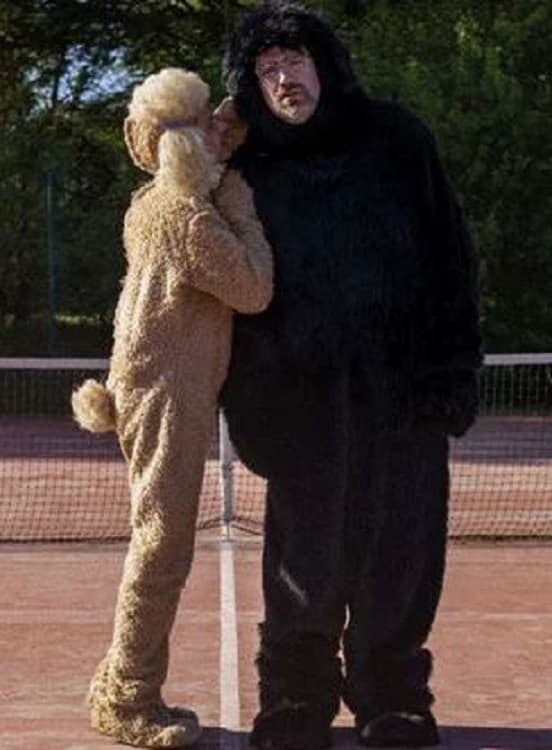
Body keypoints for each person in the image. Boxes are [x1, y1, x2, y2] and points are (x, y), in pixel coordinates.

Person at [217, 3, 482, 748]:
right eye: (267, 69)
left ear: (325, 64)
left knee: (401, 555)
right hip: (298, 402)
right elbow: (220, 287)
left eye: (294, 60)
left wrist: (451, 375)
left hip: (403, 393)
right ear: (251, 86)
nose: (284, 79)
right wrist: (250, 400)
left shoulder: (398, 139)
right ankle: (294, 701)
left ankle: (393, 699)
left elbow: (452, 258)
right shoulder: (245, 167)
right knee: (302, 565)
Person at [71, 67, 273, 748]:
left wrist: (221, 147)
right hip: (166, 393)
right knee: (161, 545)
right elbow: (253, 288)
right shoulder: (188, 218)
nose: (220, 131)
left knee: (159, 541)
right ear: (186, 143)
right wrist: (238, 200)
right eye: (206, 124)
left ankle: (123, 685)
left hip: (145, 384)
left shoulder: (151, 201)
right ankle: (126, 698)